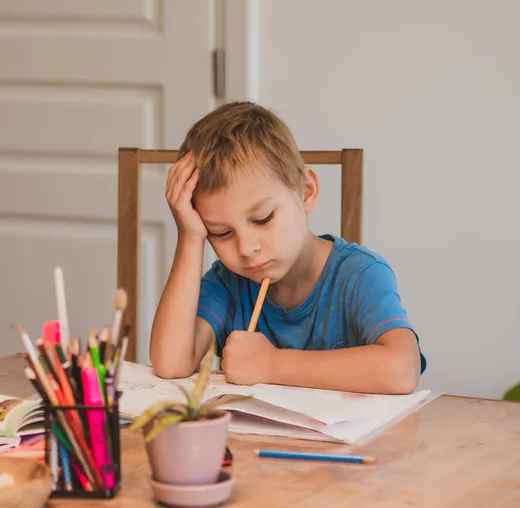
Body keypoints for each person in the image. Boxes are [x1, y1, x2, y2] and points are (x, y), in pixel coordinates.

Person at [149, 102, 426, 393]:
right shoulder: (227, 283)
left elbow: (403, 370)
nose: (246, 247)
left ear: (307, 192)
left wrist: (271, 365)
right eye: (221, 232)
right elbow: (171, 363)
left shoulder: (360, 275)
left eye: (263, 218)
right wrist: (190, 238)